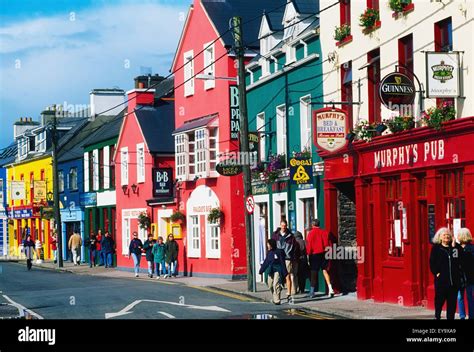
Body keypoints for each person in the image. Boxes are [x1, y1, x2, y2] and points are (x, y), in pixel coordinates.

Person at [430, 227, 462, 320]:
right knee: (439, 301)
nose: (447, 236)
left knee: (452, 304)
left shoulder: (455, 248)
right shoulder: (436, 248)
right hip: (441, 281)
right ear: (440, 237)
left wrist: (454, 246)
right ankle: (437, 316)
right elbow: (432, 262)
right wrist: (437, 273)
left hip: (453, 282)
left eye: (448, 235)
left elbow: (459, 259)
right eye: (444, 235)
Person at [306, 219, 334, 298]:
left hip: (315, 255)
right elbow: (329, 244)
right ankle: (330, 289)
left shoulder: (310, 234)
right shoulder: (325, 232)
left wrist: (308, 254)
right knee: (325, 271)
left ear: (312, 225)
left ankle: (312, 292)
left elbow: (309, 246)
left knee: (313, 273)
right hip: (324, 253)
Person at [272, 220, 299, 301]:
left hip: (287, 258)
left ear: (286, 226)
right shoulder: (275, 235)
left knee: (288, 275)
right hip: (277, 258)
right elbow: (272, 245)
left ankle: (289, 293)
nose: (283, 227)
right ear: (280, 225)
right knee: (278, 276)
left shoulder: (291, 236)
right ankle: (277, 294)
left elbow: (294, 248)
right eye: (282, 226)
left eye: (285, 226)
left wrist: (292, 257)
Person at [259, 239, 288, 305]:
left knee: (275, 284)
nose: (267, 246)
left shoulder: (278, 252)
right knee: (270, 284)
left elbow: (282, 262)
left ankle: (277, 300)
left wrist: (285, 272)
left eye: (268, 244)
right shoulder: (269, 253)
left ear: (271, 244)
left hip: (278, 269)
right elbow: (266, 262)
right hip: (271, 270)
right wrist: (261, 270)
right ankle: (275, 295)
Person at [457, 228, 474, 320]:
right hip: (460, 276)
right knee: (460, 297)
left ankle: (471, 316)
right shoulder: (456, 248)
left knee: (469, 297)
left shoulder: (471, 248)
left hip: (469, 276)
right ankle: (462, 316)